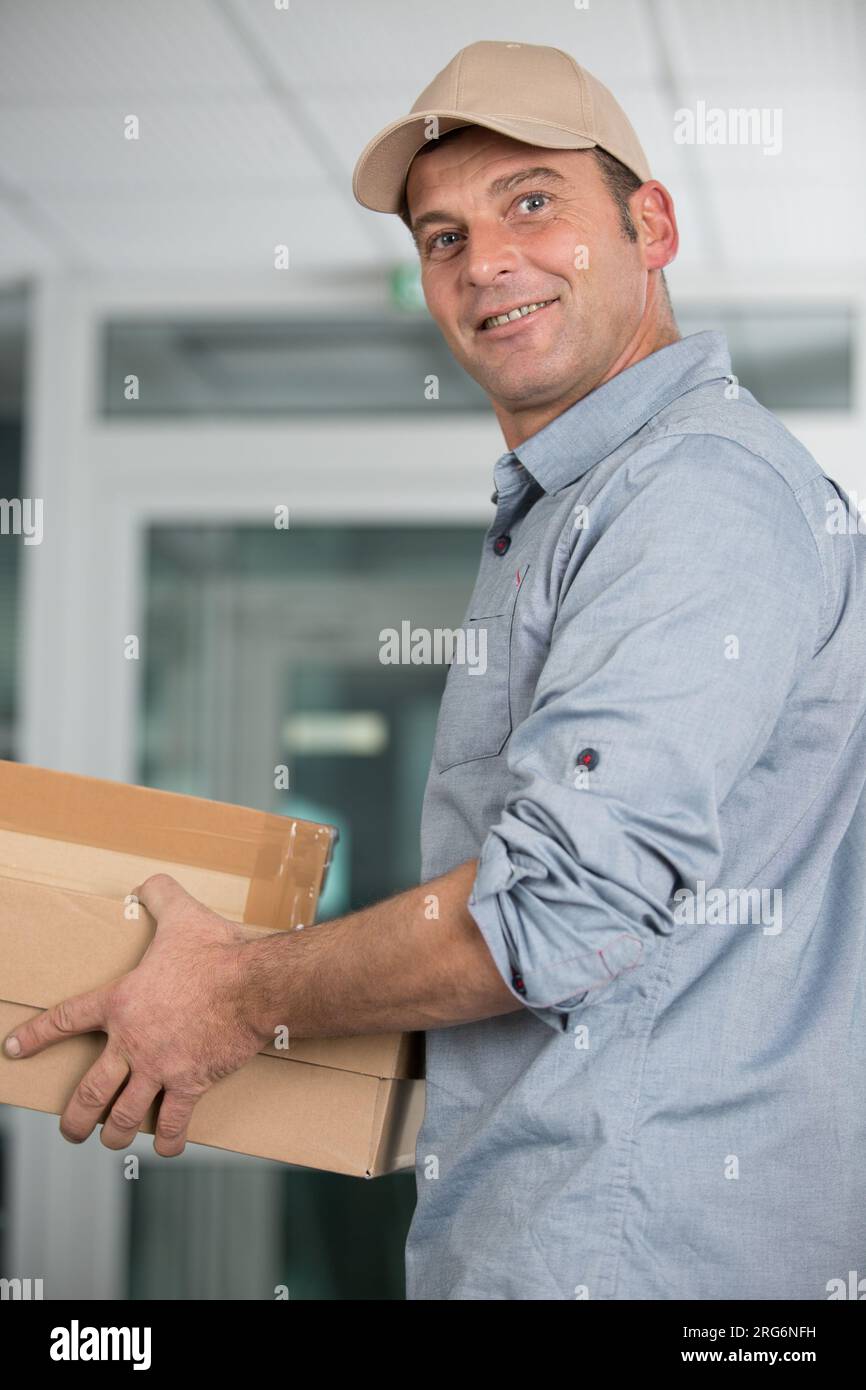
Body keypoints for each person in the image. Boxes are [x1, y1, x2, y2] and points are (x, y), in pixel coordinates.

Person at [6, 40, 866, 1301]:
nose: (485, 263)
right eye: (441, 235)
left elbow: (558, 911)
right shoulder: (578, 510)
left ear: (650, 224)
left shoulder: (691, 494)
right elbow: (587, 957)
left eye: (531, 201)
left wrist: (238, 996)